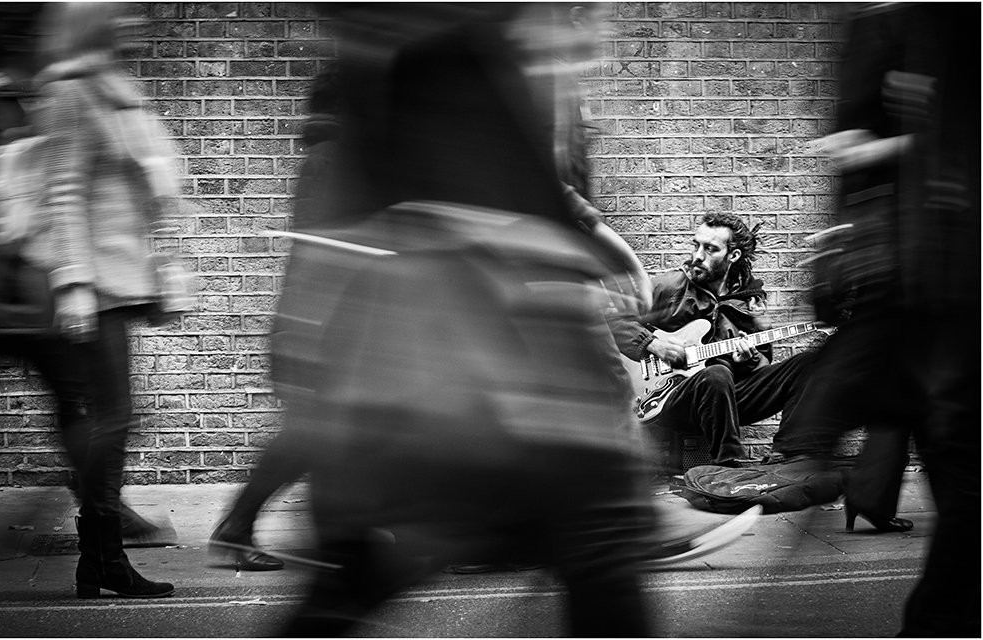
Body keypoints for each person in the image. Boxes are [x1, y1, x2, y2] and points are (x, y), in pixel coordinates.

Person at [276, 4, 659, 635]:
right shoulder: (454, 47)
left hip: (463, 340)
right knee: (599, 526)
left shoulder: (443, 48)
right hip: (484, 337)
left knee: (399, 545)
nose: (591, 29)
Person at [781, 4, 979, 635]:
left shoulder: (935, 26)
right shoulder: (885, 27)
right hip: (915, 280)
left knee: (956, 461)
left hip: (935, 278)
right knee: (955, 459)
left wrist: (874, 149)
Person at [20, 2, 193, 598]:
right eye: (120, 16)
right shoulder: (71, 93)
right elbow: (61, 194)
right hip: (93, 287)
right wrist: (71, 282)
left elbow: (155, 181)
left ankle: (101, 558)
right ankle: (102, 555)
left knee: (114, 419)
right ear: (94, 24)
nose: (133, 24)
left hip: (123, 278)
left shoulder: (117, 90)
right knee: (114, 418)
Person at [208, 63, 347, 572]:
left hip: (321, 317)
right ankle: (237, 528)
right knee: (311, 433)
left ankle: (337, 537)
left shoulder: (330, 154)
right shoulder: (336, 157)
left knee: (326, 432)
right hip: (325, 322)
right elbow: (327, 248)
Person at [608, 211, 819, 468]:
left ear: (733, 256)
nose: (697, 255)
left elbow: (764, 369)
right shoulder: (669, 287)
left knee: (806, 365)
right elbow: (613, 321)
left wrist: (750, 360)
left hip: (726, 401)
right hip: (670, 398)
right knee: (717, 373)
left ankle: (788, 456)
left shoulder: (748, 305)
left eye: (710, 249)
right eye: (696, 245)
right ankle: (730, 464)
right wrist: (653, 344)